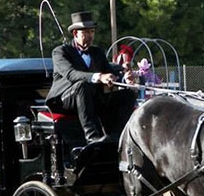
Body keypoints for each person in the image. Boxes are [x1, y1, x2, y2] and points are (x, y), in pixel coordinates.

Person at [45, 11, 136, 143]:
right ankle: (92, 138)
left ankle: (117, 135)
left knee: (128, 94)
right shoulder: (61, 52)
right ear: (75, 33)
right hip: (65, 100)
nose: (90, 36)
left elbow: (109, 72)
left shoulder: (97, 52)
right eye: (86, 33)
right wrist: (99, 76)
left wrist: (124, 78)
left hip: (92, 98)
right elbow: (71, 74)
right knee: (82, 86)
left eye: (92, 32)